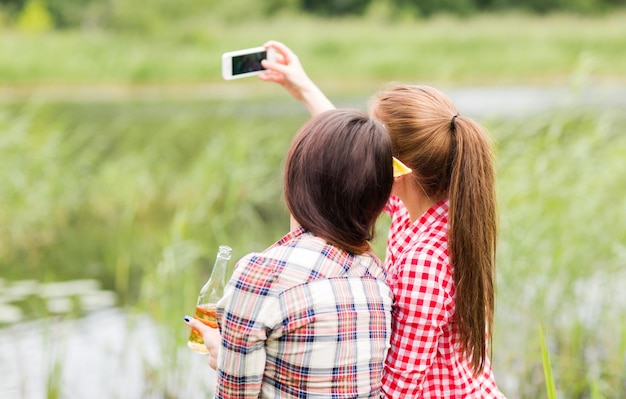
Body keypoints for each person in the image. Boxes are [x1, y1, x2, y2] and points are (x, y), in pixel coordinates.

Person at [257, 40, 505, 399]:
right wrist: (304, 88)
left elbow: (396, 392)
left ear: (396, 168)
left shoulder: (426, 263)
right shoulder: (431, 199)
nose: (360, 159)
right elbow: (351, 152)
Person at [186, 108, 396, 398]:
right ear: (378, 196)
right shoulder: (377, 277)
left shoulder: (262, 273)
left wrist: (225, 359)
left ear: (297, 181)